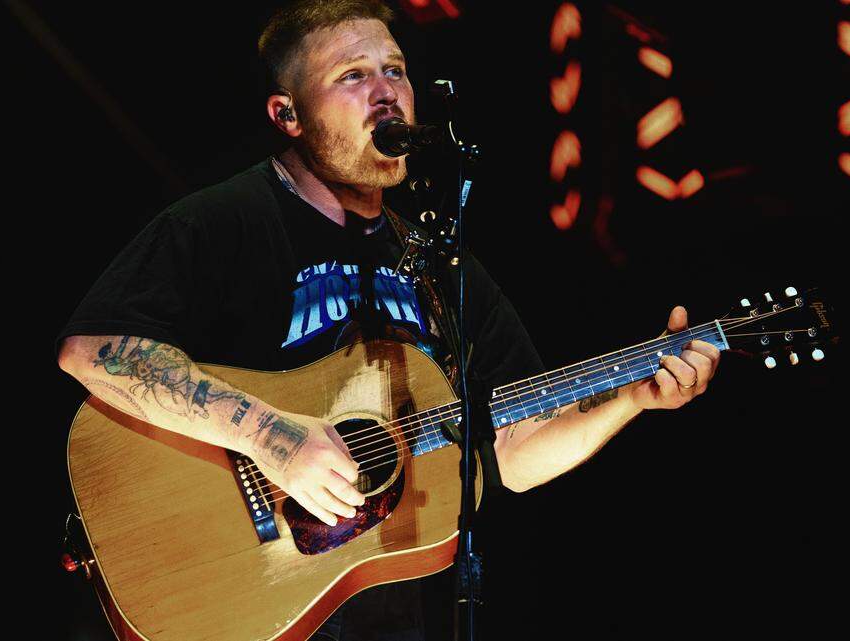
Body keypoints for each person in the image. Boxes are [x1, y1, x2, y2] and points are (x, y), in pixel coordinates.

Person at [55, 2, 720, 639]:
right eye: (353, 75)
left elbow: (513, 452)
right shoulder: (227, 220)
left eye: (395, 70)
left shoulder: (443, 267)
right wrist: (270, 436)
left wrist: (633, 396)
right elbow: (95, 348)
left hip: (391, 612)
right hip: (249, 593)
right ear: (288, 114)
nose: (386, 91)